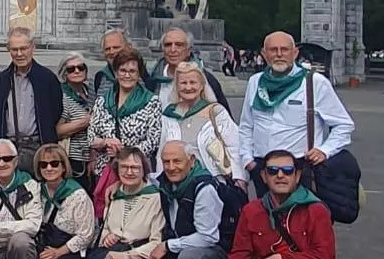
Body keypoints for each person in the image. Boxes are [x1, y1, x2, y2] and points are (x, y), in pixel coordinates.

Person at [237, 32, 356, 203]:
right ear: (264, 54)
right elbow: (247, 125)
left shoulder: (314, 83)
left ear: (295, 53)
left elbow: (344, 125)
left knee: (301, 224)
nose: (279, 54)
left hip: (299, 169)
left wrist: (325, 150)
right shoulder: (255, 82)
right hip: (263, 169)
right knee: (266, 223)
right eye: (273, 50)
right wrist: (249, 161)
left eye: (284, 49)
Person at [154, 141, 228, 259]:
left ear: (192, 161)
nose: (171, 167)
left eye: (177, 161)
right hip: (186, 248)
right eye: (166, 161)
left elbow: (208, 237)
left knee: (189, 258)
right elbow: (139, 178)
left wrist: (168, 245)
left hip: (218, 249)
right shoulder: (165, 183)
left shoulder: (204, 187)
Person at [86, 147, 165, 259]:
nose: (129, 172)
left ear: (143, 170)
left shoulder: (155, 197)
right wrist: (108, 236)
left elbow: (157, 242)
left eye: (135, 167)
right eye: (124, 167)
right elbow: (106, 227)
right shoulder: (114, 194)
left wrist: (127, 255)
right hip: (115, 254)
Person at [89, 46, 163, 217]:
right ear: (115, 72)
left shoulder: (151, 102)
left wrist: (124, 153)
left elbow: (152, 141)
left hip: (134, 172)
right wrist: (105, 142)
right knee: (106, 218)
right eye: (123, 70)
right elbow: (91, 137)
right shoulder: (102, 101)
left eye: (132, 71)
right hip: (105, 171)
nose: (127, 75)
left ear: (139, 74)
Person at [0, 26, 64, 173]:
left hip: (38, 146)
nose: (19, 54)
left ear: (32, 47)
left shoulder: (47, 78)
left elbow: (56, 111)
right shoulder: (1, 80)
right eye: (14, 49)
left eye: (23, 48)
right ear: (8, 50)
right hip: (8, 148)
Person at [161, 62, 246, 184]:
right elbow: (162, 152)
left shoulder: (216, 112)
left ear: (201, 85)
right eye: (183, 83)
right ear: (177, 87)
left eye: (193, 82)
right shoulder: (169, 115)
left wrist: (239, 179)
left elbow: (234, 147)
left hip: (214, 181)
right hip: (178, 183)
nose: (188, 87)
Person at [32, 144, 94, 259]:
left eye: (54, 163)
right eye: (43, 164)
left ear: (63, 167)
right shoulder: (36, 190)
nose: (49, 168)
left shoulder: (78, 195)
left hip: (70, 247)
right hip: (45, 242)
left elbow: (86, 235)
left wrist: (57, 252)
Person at [150, 28, 231, 114]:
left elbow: (224, 118)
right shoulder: (153, 79)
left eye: (179, 45)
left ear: (188, 50)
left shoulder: (206, 79)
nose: (173, 49)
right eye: (168, 45)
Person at [55, 53, 95, 186]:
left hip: (93, 158)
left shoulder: (92, 92)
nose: (77, 71)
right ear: (64, 74)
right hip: (72, 160)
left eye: (80, 67)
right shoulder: (61, 96)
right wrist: (85, 122)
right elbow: (58, 130)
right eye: (71, 69)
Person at [92, 29, 151, 96]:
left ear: (128, 47)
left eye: (116, 47)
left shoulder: (144, 74)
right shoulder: (99, 78)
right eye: (107, 49)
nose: (112, 52)